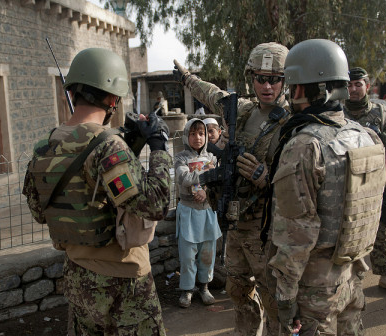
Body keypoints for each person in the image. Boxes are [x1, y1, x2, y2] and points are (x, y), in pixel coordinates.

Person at [22, 48, 171, 335]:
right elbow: (155, 204)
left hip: (78, 278)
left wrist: (133, 146)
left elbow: (40, 213)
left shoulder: (44, 148)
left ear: (74, 91)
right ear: (113, 98)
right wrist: (158, 146)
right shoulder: (108, 147)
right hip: (124, 283)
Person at [267, 39, 386, 335]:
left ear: (299, 88)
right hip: (352, 276)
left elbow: (296, 234)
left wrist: (285, 296)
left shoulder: (304, 146)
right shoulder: (365, 136)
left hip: (314, 290)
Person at [173, 42, 290, 336]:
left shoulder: (293, 124)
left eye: (274, 79)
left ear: (285, 81)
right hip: (236, 222)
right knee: (237, 288)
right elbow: (211, 93)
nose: (267, 86)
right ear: (251, 78)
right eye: (260, 78)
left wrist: (266, 177)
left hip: (267, 228)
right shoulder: (243, 111)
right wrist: (187, 78)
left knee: (273, 295)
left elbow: (302, 183)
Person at [343, 67, 386, 296]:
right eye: (349, 85)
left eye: (357, 84)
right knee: (348, 230)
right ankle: (349, 280)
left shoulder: (381, 113)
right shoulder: (338, 114)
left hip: (374, 183)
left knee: (382, 229)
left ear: (367, 87)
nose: (353, 89)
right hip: (346, 185)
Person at [174, 118, 222, 308]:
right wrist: (207, 174)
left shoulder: (213, 157)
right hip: (188, 211)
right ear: (187, 136)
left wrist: (206, 191)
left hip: (207, 211)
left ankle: (204, 287)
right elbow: (184, 177)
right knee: (187, 254)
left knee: (207, 254)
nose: (198, 138)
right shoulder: (180, 158)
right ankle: (187, 290)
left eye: (201, 133)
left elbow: (218, 180)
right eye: (193, 134)